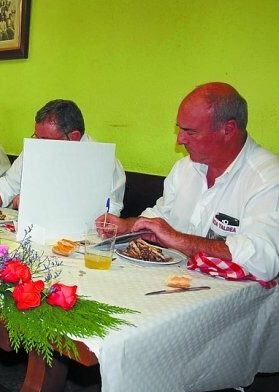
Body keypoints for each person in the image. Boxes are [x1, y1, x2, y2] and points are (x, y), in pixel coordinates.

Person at [97, 82, 279, 282]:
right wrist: (126, 225)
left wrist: (178, 239)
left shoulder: (267, 177)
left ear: (228, 130)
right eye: (179, 130)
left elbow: (266, 261)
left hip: (238, 304)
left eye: (190, 132)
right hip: (178, 283)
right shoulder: (185, 168)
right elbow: (159, 219)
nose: (180, 140)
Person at [0, 99, 126, 214]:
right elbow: (6, 187)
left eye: (45, 139)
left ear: (74, 137)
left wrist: (37, 204)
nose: (38, 144)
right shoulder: (37, 149)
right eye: (37, 137)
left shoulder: (105, 164)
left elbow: (108, 217)